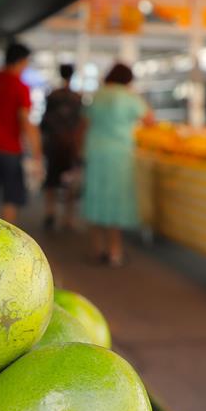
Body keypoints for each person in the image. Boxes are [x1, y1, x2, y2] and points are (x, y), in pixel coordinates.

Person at [81, 62, 153, 267]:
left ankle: (96, 249)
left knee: (95, 197)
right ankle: (114, 250)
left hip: (95, 152)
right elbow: (149, 119)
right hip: (119, 154)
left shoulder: (98, 95)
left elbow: (85, 123)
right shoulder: (130, 97)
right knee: (116, 199)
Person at [0, 41, 42, 224]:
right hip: (9, 149)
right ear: (21, 61)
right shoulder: (20, 86)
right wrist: (37, 154)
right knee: (10, 196)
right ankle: (5, 240)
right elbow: (26, 122)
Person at [40, 63, 83, 231]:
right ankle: (68, 218)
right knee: (69, 180)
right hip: (71, 145)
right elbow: (81, 123)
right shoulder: (77, 97)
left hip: (53, 143)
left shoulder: (52, 96)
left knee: (51, 180)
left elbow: (44, 122)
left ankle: (50, 212)